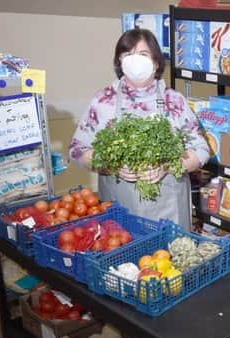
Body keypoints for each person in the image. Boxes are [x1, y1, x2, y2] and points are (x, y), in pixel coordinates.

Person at [69, 29, 209, 230]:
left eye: (143, 54)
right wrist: (111, 164)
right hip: (120, 212)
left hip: (170, 211)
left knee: (170, 259)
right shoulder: (103, 101)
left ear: (156, 62)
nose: (135, 60)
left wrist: (168, 165)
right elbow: (77, 149)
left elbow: (201, 150)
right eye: (128, 55)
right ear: (120, 61)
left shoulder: (174, 101)